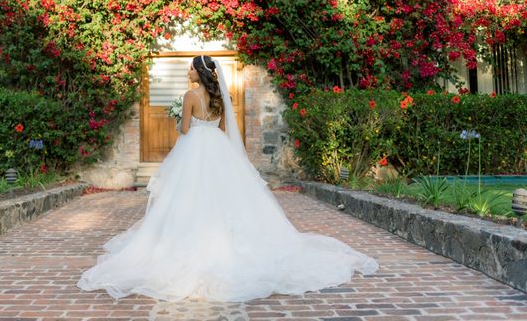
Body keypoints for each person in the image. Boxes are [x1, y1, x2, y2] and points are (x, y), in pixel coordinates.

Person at [77, 54, 378, 302]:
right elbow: (219, 126)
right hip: (217, 147)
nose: (187, 70)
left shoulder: (190, 95)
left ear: (199, 71)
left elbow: (184, 131)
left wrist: (179, 118)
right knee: (224, 198)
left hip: (195, 147)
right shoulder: (221, 95)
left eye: (191, 67)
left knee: (190, 198)